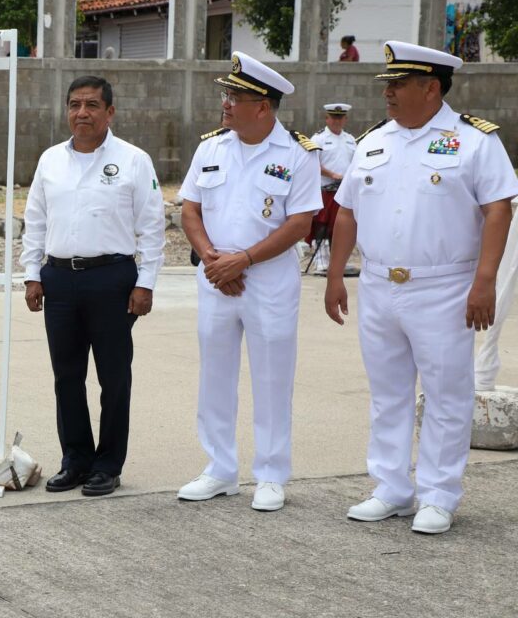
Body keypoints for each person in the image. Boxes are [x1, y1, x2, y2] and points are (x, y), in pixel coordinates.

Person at [325, 41, 518, 534]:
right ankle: (391, 487)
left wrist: (485, 281)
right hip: (379, 284)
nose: (387, 93)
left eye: (398, 84)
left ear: (431, 88)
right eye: (387, 84)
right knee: (387, 393)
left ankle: (439, 494)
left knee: (446, 394)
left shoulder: (473, 140)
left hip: (445, 287)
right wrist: (334, 276)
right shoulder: (373, 141)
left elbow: (498, 208)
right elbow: (346, 210)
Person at [176, 52, 321, 512]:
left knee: (272, 378)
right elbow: (189, 209)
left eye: (235, 96)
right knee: (215, 376)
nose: (226, 102)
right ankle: (219, 469)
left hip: (268, 282)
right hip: (217, 279)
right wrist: (212, 259)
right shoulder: (211, 148)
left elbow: (301, 223)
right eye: (227, 93)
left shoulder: (298, 154)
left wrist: (245, 259)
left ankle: (272, 475)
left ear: (263, 105)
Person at [21, 75, 165, 497]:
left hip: (112, 279)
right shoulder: (50, 160)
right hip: (60, 279)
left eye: (91, 105)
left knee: (113, 377)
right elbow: (36, 221)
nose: (81, 113)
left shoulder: (134, 160)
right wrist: (32, 274)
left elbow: (152, 227)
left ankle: (108, 464)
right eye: (74, 104)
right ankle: (76, 460)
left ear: (110, 112)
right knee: (66, 376)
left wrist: (147, 283)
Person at [308, 103, 357, 275]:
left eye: (340, 118)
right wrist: (332, 174)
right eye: (333, 118)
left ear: (345, 119)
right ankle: (321, 262)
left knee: (342, 226)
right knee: (322, 225)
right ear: (327, 119)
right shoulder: (318, 139)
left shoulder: (350, 140)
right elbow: (312, 163)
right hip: (324, 189)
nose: (337, 121)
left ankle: (340, 262)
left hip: (344, 191)